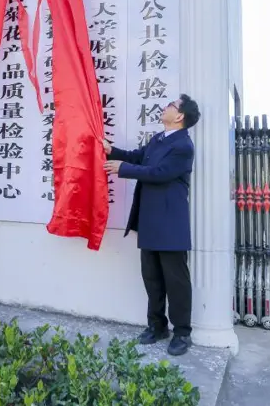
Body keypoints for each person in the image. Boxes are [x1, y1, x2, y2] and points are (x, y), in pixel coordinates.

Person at [102, 94, 201, 356]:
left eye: (171, 105)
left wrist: (122, 169)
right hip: (149, 219)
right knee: (152, 278)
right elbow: (139, 157)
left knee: (176, 281)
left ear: (179, 116)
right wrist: (112, 150)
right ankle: (157, 326)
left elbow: (159, 173)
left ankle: (182, 333)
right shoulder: (159, 139)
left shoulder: (183, 146)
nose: (166, 106)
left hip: (170, 224)